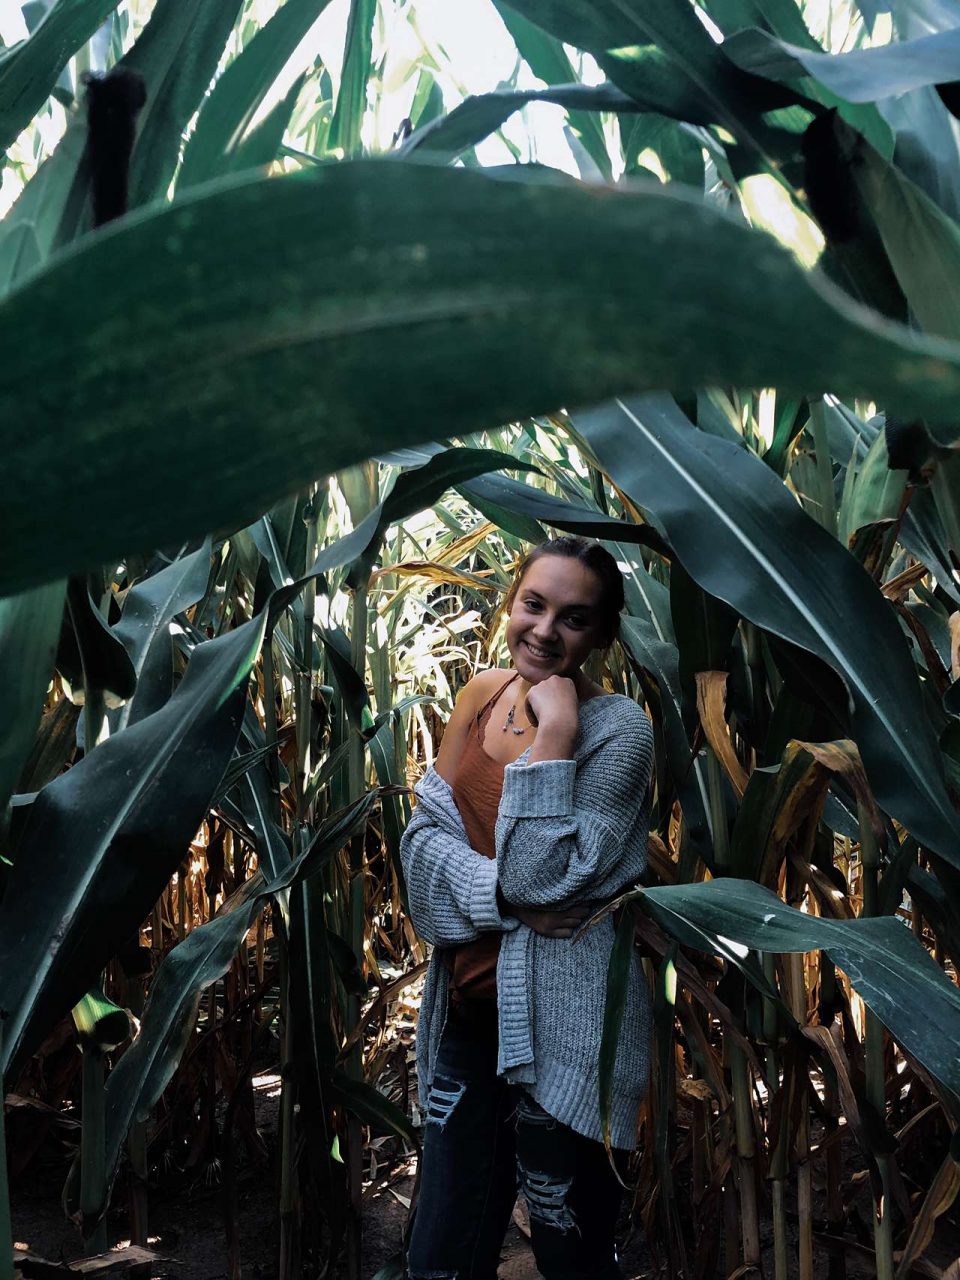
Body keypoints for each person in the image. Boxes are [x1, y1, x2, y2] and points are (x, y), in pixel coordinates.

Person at [400, 536, 655, 1280]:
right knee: (441, 1252)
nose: (545, 631)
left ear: (602, 636)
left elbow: (544, 875)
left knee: (570, 1255)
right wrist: (502, 900)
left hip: (568, 1037)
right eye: (534, 605)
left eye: (573, 619)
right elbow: (420, 856)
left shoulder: (619, 732)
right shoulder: (478, 695)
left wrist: (557, 731)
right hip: (468, 1018)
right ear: (512, 603)